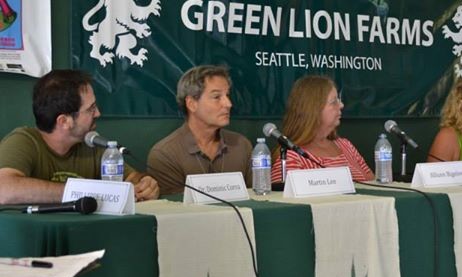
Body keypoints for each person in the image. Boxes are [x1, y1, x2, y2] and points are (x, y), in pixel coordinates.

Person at [0, 70, 159, 204]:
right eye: (91, 109)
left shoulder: (92, 146)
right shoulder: (24, 141)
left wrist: (144, 184)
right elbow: (4, 189)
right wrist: (83, 192)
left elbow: (132, 177)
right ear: (64, 121)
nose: (98, 113)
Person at [147, 65, 252, 194]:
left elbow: (257, 199)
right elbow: (174, 210)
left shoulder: (242, 146)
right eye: (217, 97)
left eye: (227, 95)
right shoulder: (165, 154)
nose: (228, 104)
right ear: (192, 104)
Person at [271, 75, 374, 183]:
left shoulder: (346, 146)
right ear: (313, 110)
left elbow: (374, 186)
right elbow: (283, 198)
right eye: (334, 102)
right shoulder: (291, 157)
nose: (342, 105)